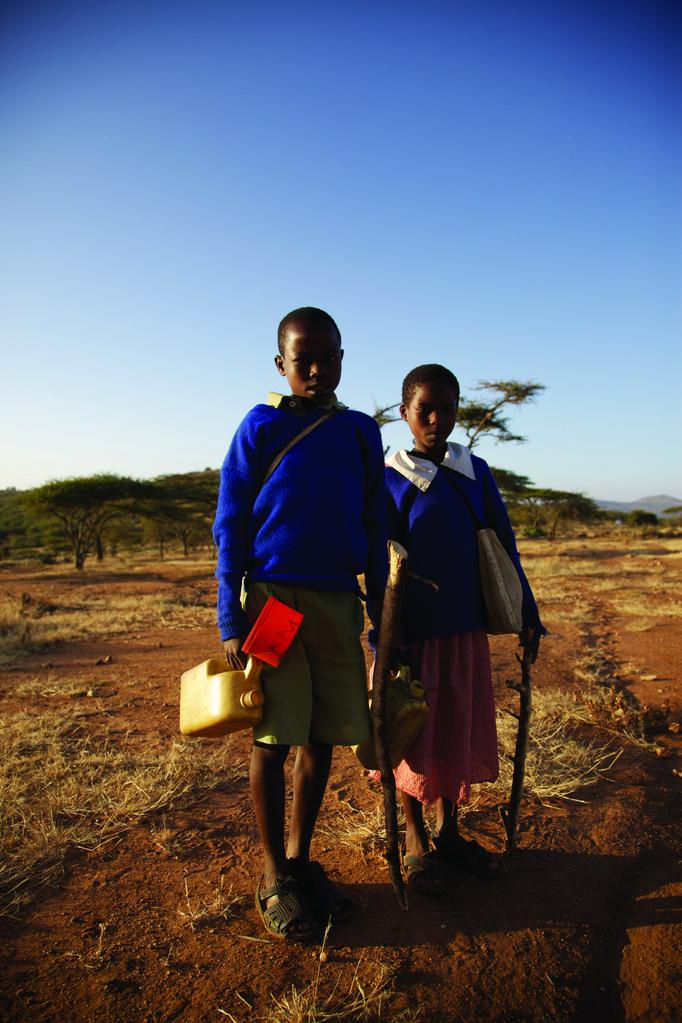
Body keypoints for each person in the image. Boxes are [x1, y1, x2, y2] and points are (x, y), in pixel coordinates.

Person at [213, 306, 387, 940]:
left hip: (338, 601)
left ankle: (299, 861)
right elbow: (230, 522)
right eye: (302, 357)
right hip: (273, 603)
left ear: (343, 358)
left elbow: (375, 523)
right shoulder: (258, 426)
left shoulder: (362, 433)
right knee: (273, 735)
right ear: (280, 363)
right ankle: (271, 875)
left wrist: (377, 598)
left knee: (322, 738)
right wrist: (231, 615)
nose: (316, 368)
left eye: (329, 355)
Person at [380, 363, 543, 894]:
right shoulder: (386, 476)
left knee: (455, 727)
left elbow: (504, 542)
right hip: (410, 631)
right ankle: (414, 838)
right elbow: (373, 557)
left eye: (446, 408)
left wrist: (528, 613)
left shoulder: (474, 472)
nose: (436, 418)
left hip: (464, 628)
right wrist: (380, 631)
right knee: (408, 729)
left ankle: (450, 831)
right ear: (404, 411)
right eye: (424, 408)